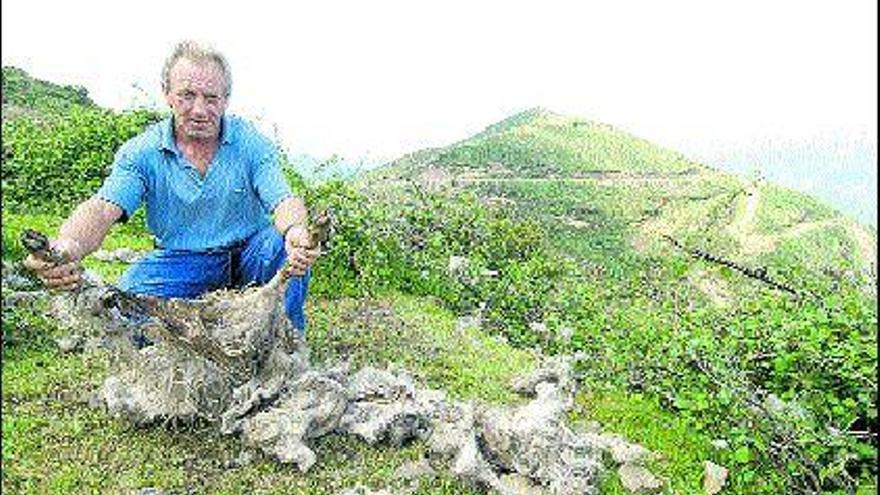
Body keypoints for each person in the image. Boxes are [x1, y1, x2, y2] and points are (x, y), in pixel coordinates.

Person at [23, 40, 319, 333]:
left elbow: (282, 198)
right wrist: (67, 247)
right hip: (184, 262)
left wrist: (295, 231)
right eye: (187, 95)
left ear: (226, 99)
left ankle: (286, 347)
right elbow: (102, 208)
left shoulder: (251, 142)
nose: (200, 109)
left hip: (250, 255)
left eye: (211, 98)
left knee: (283, 249)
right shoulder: (141, 152)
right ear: (167, 95)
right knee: (130, 299)